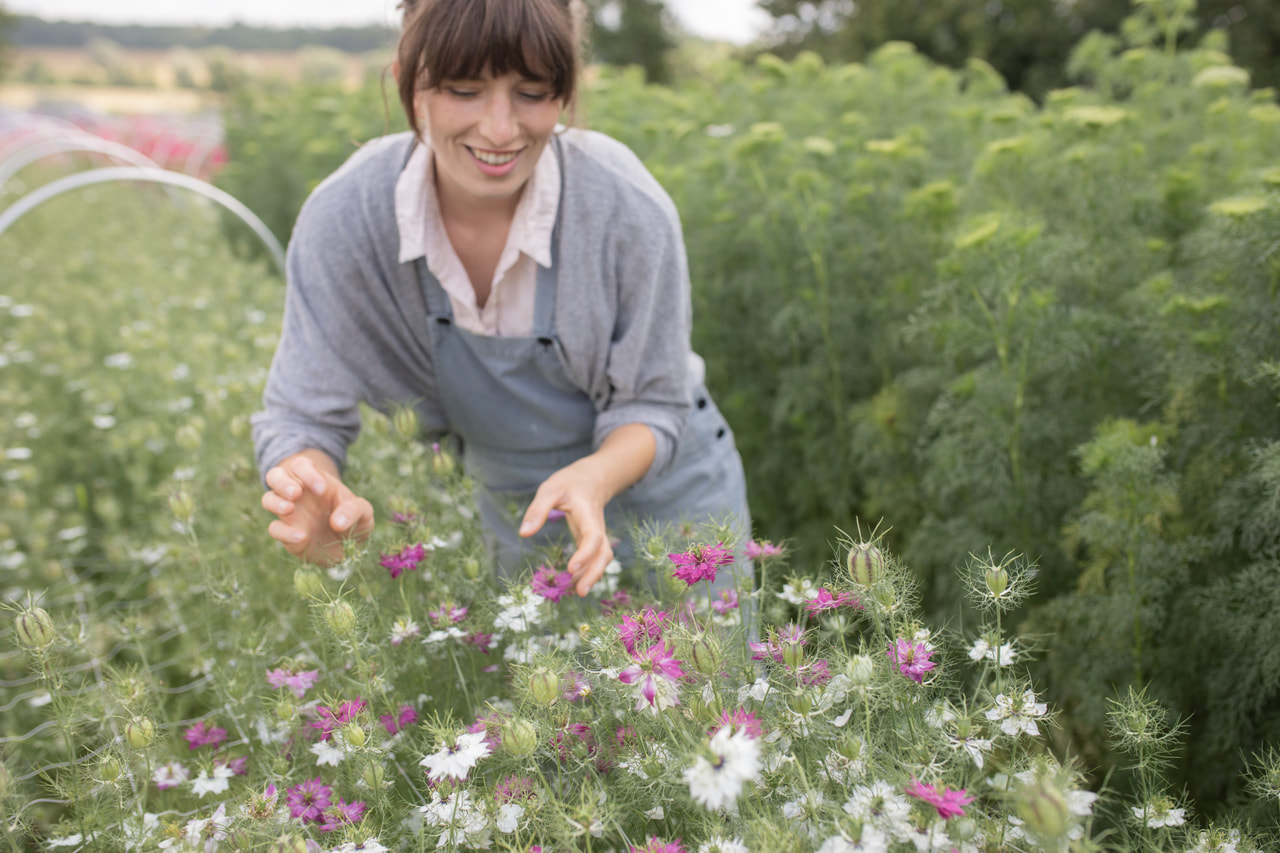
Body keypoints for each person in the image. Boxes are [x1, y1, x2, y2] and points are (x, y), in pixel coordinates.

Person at [252, 0, 751, 605]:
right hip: (520, 511)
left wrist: (594, 477)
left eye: (532, 93)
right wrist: (312, 488)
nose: (500, 129)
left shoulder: (624, 206)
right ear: (412, 85)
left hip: (673, 503)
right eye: (465, 90)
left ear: (565, 92)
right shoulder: (345, 218)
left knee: (706, 664)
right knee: (546, 668)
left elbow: (653, 401)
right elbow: (301, 414)